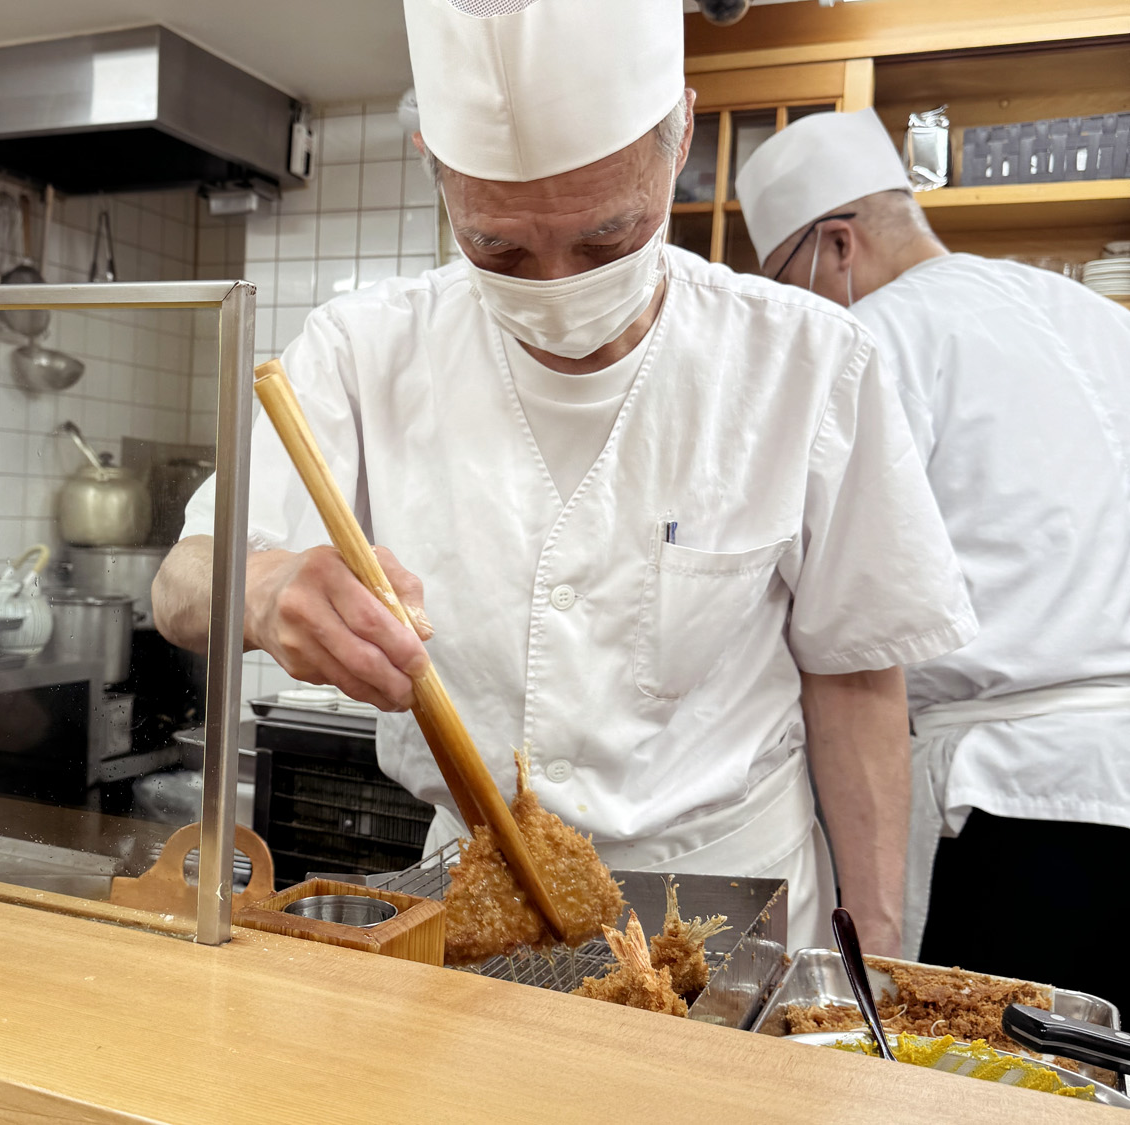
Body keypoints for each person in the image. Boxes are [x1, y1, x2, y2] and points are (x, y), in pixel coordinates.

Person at [154, 0, 976, 953]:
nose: (555, 286)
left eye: (606, 240)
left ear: (678, 141)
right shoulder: (363, 349)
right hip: (473, 890)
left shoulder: (804, 362)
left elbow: (859, 678)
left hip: (731, 900)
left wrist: (874, 965)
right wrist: (263, 589)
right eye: (498, 246)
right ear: (437, 168)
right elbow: (182, 581)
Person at [737, 108, 1130, 1007]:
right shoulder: (1094, 317)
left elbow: (840, 601)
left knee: (988, 1083)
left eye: (786, 279)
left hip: (1014, 809)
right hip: (1115, 779)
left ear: (837, 244)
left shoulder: (874, 341)